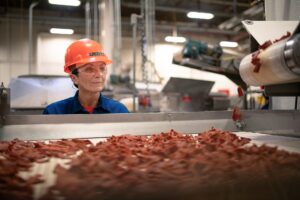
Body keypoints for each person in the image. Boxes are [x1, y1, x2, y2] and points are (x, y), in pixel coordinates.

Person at [43, 38, 129, 114]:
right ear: (74, 78)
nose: (99, 74)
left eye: (102, 68)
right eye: (89, 69)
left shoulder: (119, 111)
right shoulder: (55, 113)